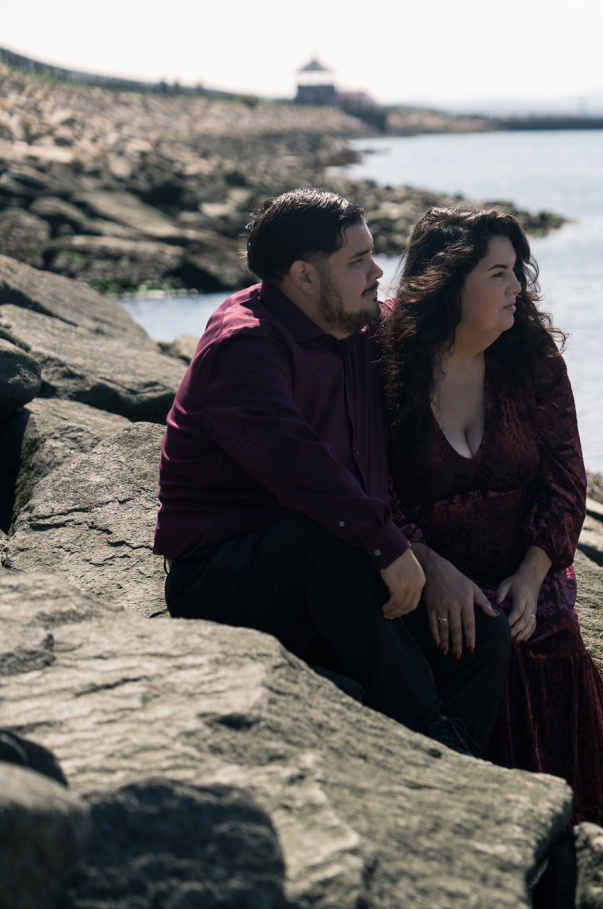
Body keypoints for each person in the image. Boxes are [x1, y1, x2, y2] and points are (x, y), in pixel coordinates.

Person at [154, 188, 509, 758]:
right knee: (324, 536)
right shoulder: (244, 346)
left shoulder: (357, 325)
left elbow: (450, 326)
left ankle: (454, 766)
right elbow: (302, 469)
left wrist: (519, 324)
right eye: (356, 261)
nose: (376, 272)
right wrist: (391, 547)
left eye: (373, 255)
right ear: (304, 276)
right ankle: (433, 742)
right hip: (228, 583)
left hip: (337, 569)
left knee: (479, 633)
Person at [378, 206, 603, 840]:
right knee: (463, 650)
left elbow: (566, 480)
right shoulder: (383, 360)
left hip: (524, 578)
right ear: (449, 282)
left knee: (540, 651)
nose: (519, 288)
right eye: (499, 273)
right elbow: (372, 486)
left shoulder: (530, 354)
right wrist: (429, 565)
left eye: (519, 271)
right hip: (427, 580)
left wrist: (534, 575)